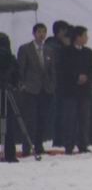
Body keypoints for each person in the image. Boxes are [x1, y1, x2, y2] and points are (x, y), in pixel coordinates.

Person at [17, 23, 54, 157]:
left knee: (42, 118)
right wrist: (22, 84)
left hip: (45, 89)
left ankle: (39, 145)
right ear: (34, 33)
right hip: (30, 89)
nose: (42, 35)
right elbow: (21, 68)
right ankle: (27, 145)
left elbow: (52, 70)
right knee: (30, 119)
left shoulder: (49, 50)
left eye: (44, 32)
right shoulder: (25, 49)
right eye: (39, 32)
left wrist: (52, 85)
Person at [59, 25, 92, 154]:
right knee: (70, 119)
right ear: (77, 37)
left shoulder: (89, 52)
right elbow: (63, 69)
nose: (87, 38)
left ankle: (83, 144)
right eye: (85, 35)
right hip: (70, 91)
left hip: (85, 91)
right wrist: (76, 77)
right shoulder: (66, 51)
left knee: (84, 119)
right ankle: (69, 145)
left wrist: (87, 77)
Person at [48, 20, 71, 147]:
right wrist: (66, 46)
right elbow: (57, 62)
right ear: (60, 31)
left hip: (64, 83)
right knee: (58, 113)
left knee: (64, 113)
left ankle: (62, 139)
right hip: (56, 84)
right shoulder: (52, 44)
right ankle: (58, 140)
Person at [0, 33, 20, 162]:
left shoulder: (10, 58)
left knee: (8, 121)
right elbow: (17, 75)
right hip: (7, 92)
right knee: (9, 123)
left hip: (5, 91)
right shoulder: (11, 57)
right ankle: (10, 154)